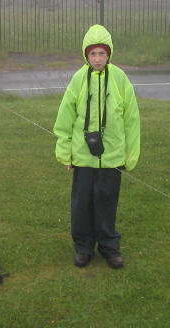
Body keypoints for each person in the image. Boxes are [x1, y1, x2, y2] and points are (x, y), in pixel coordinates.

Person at [53, 24, 140, 269]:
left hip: (112, 157)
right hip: (83, 158)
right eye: (93, 54)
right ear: (86, 55)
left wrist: (130, 155)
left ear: (109, 54)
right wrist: (65, 153)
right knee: (82, 204)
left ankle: (109, 246)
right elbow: (65, 118)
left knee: (107, 202)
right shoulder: (79, 79)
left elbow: (132, 120)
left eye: (102, 54)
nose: (98, 59)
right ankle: (83, 247)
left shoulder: (121, 79)